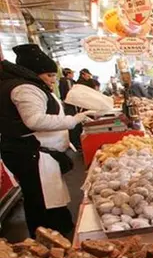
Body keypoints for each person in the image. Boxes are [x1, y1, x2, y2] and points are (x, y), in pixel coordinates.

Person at [0, 44, 90, 236]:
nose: (53, 80)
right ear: (34, 72)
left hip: (34, 153)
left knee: (47, 198)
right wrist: (73, 120)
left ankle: (58, 232)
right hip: (31, 154)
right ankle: (48, 242)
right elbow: (34, 120)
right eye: (49, 75)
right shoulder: (25, 88)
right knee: (40, 202)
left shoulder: (26, 85)